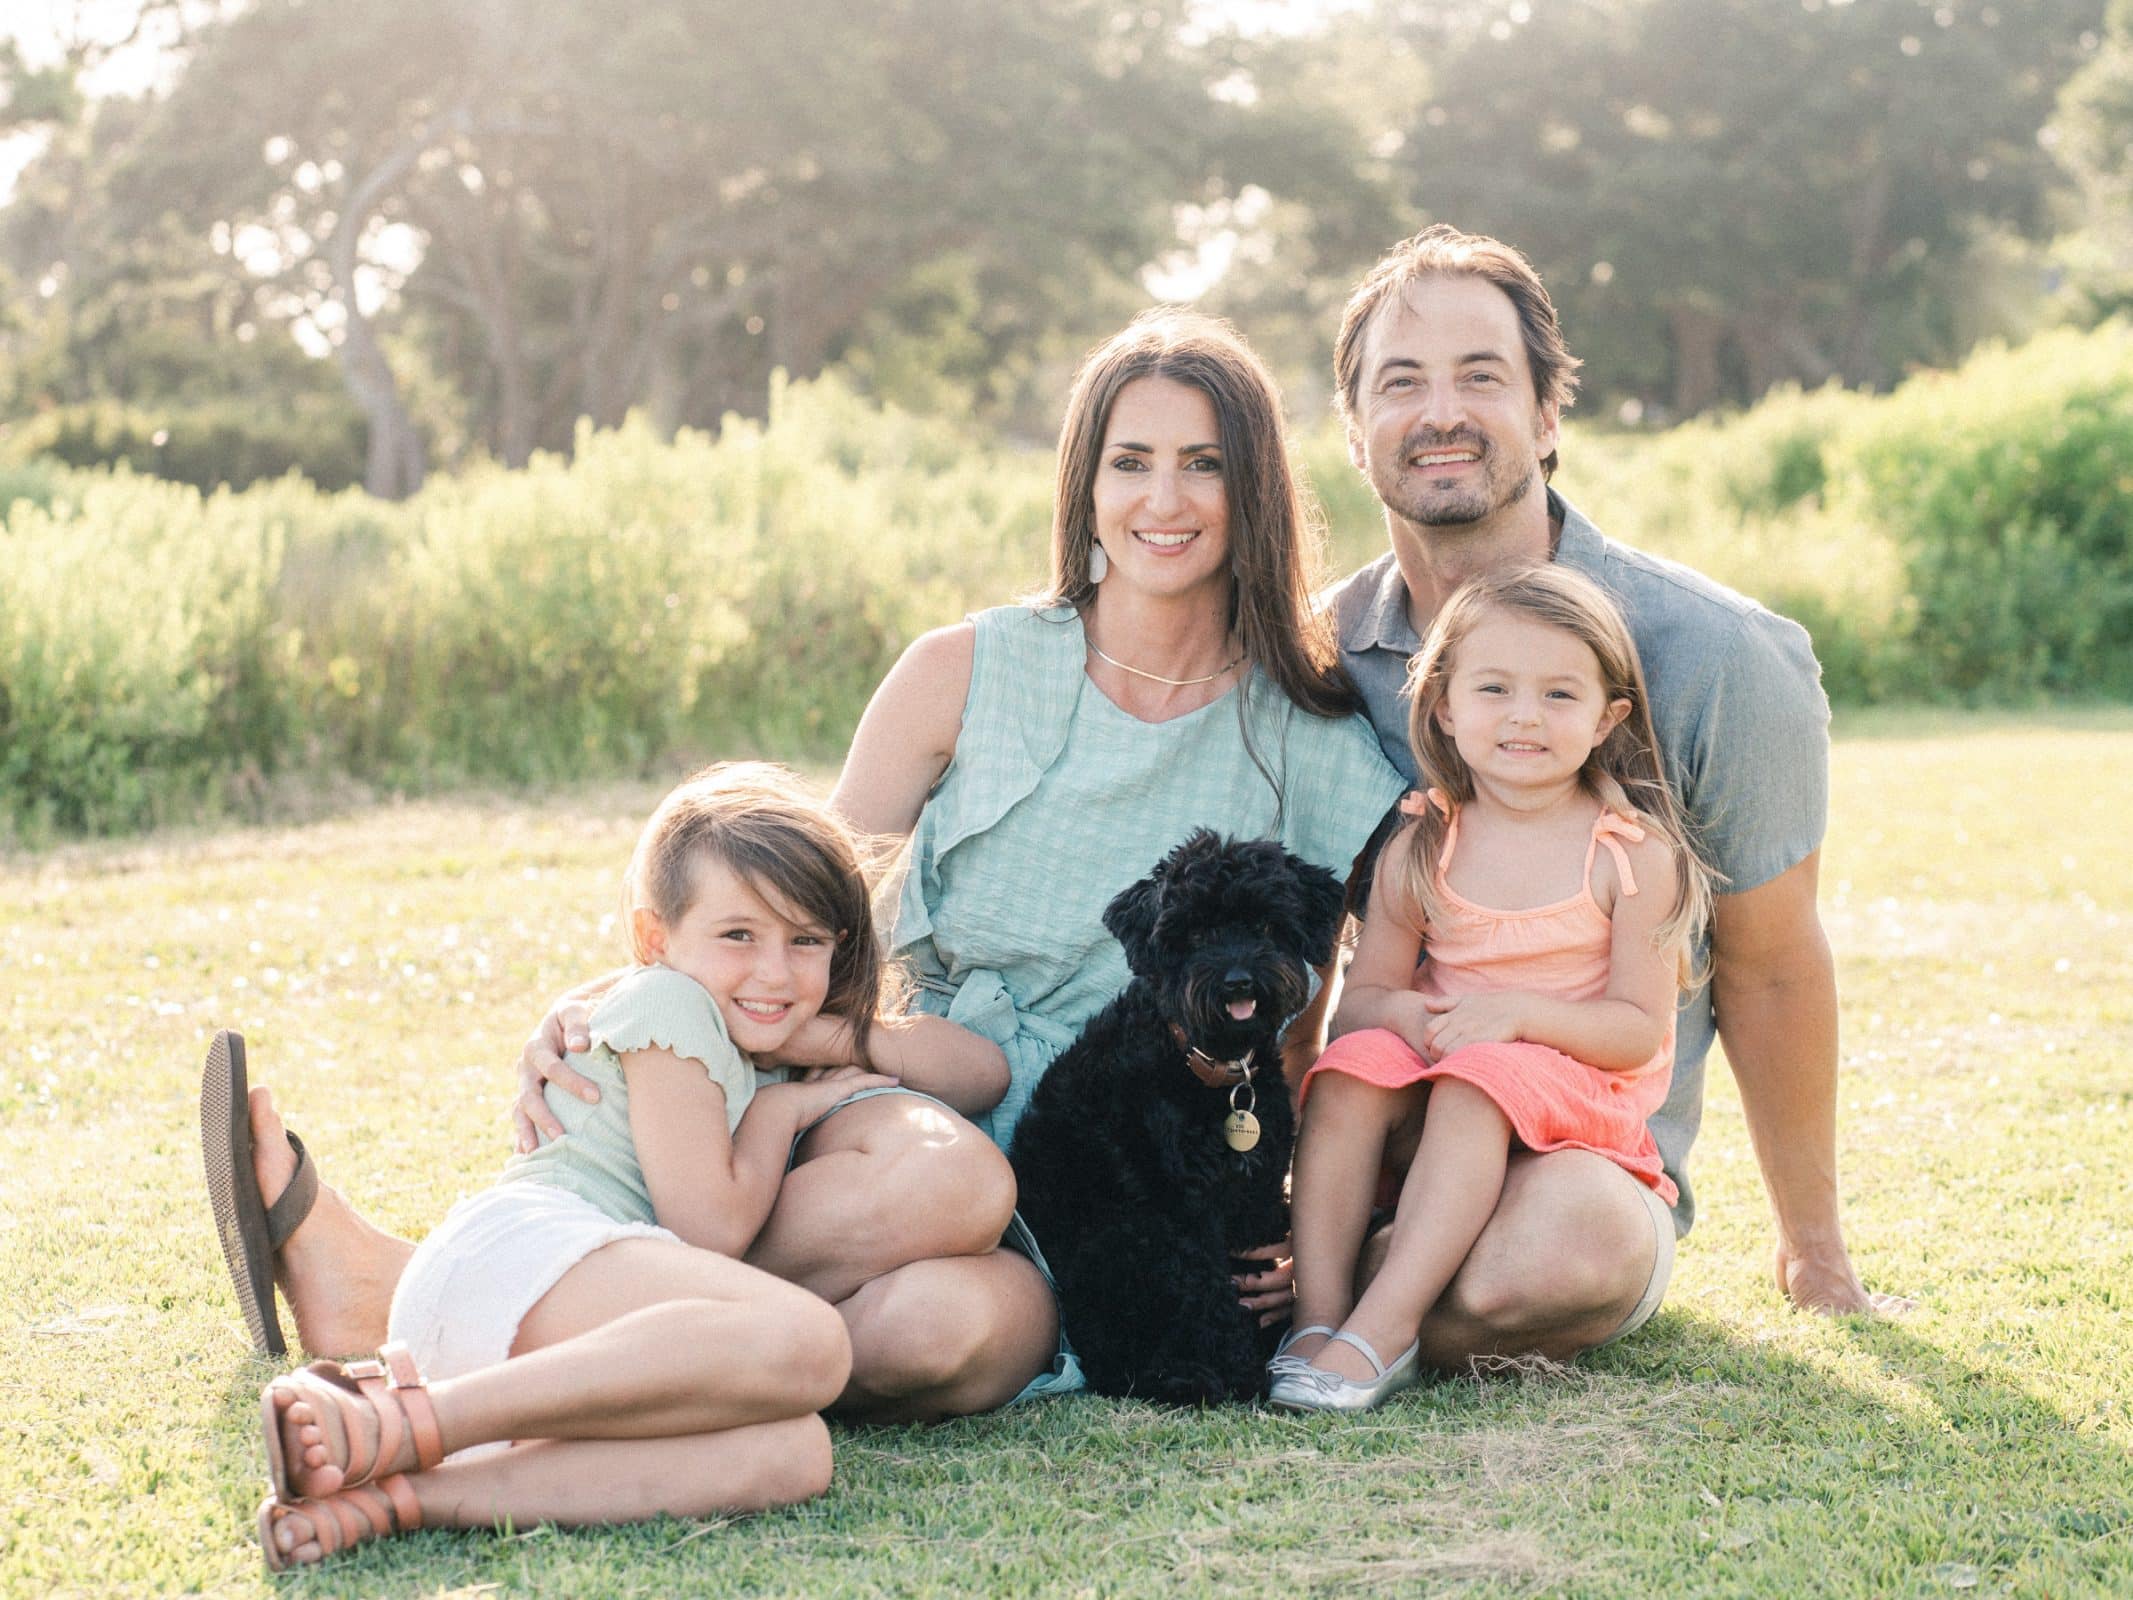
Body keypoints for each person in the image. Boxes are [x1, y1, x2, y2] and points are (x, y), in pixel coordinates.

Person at [221, 309, 1408, 1420]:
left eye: (1204, 463)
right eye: (1131, 459)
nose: (1165, 497)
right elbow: (792, 905)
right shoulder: (968, 669)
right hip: (922, 1104)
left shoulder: (1306, 732)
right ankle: (429, 1292)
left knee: (938, 1334)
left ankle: (496, 1317)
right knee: (942, 1192)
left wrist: (1291, 1209)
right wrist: (608, 1006)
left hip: (1130, 1169)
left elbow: (1299, 1031)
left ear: (1253, 486)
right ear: (1084, 483)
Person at [1319, 224, 1905, 1366]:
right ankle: (1346, 1280)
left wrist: (1817, 1258)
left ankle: (1367, 1312)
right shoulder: (1314, 655)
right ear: (1355, 432)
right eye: (1402, 383)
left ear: (1547, 416)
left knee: (1547, 1265)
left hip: (1580, 1158)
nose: (1442, 410)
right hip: (1390, 1118)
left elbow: (1772, 960)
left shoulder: (1716, 655)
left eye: (1482, 376)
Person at [229, 763, 1007, 1567]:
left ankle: (395, 1498)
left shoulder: (746, 1031)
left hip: (560, 1329)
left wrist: (835, 1037)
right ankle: (402, 1418)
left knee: (792, 1453)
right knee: (810, 1341)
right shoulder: (670, 1007)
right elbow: (705, 1228)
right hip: (526, 1255)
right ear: (653, 940)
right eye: (739, 934)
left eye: (805, 940)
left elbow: (982, 1072)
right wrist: (779, 1113)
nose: (775, 972)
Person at [1271, 566, 1715, 1411]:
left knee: (1483, 1078)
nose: (1522, 715)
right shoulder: (1423, 842)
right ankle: (1315, 1318)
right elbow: (1360, 1007)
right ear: (1443, 705)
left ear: (1606, 718)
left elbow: (1633, 1033)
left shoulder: (1627, 854)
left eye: (1557, 694)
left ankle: (1384, 1329)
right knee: (1354, 1066)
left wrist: (1513, 1019)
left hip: (1573, 1095)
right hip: (1442, 1072)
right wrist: (1423, 1017)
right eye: (1493, 688)